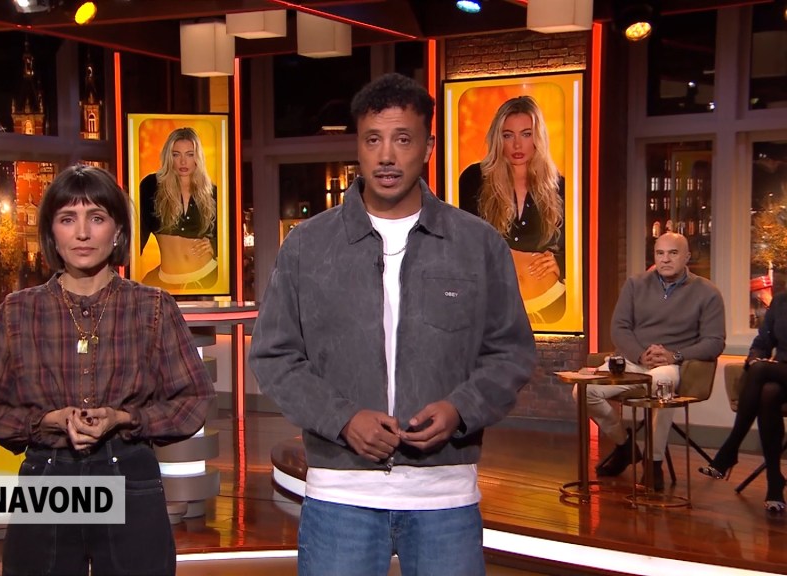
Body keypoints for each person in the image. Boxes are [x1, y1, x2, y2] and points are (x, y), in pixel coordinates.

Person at [249, 73, 536, 576]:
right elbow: (275, 356)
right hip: (340, 498)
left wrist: (460, 409)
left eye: (402, 139)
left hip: (444, 498)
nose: (386, 156)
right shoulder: (308, 246)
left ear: (427, 146)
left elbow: (510, 352)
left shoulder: (476, 244)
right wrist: (343, 419)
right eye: (373, 140)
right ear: (357, 147)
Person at [0, 165, 215, 576]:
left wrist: (125, 418)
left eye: (96, 218)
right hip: (48, 478)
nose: (82, 233)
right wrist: (48, 421)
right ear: (52, 234)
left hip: (128, 475)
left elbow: (195, 400)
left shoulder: (152, 307)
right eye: (68, 219)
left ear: (117, 231)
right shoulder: (18, 311)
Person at [579, 232, 725, 491]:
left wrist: (674, 355)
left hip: (671, 365)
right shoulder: (635, 284)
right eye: (660, 253)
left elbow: (714, 342)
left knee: (661, 384)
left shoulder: (707, 292)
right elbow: (620, 328)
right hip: (633, 360)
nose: (665, 259)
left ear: (687, 257)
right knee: (582, 391)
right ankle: (625, 446)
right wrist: (639, 354)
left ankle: (654, 462)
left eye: (673, 253)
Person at [458, 95, 565, 324]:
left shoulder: (559, 186)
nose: (517, 145)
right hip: (493, 305)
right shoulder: (474, 179)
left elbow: (577, 247)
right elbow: (462, 244)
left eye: (526, 134)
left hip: (550, 302)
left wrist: (560, 263)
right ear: (498, 138)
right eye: (508, 135)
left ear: (538, 137)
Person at [700, 291, 787, 514]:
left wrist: (759, 365)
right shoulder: (781, 301)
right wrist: (755, 356)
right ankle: (774, 481)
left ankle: (730, 449)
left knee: (760, 370)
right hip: (781, 375)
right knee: (768, 393)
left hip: (777, 371)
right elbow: (762, 342)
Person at [138, 127, 219, 290]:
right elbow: (138, 234)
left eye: (190, 154)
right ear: (169, 157)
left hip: (208, 277)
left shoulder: (212, 192)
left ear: (197, 157)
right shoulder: (151, 186)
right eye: (176, 154)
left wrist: (215, 246)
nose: (183, 162)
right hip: (164, 281)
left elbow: (228, 236)